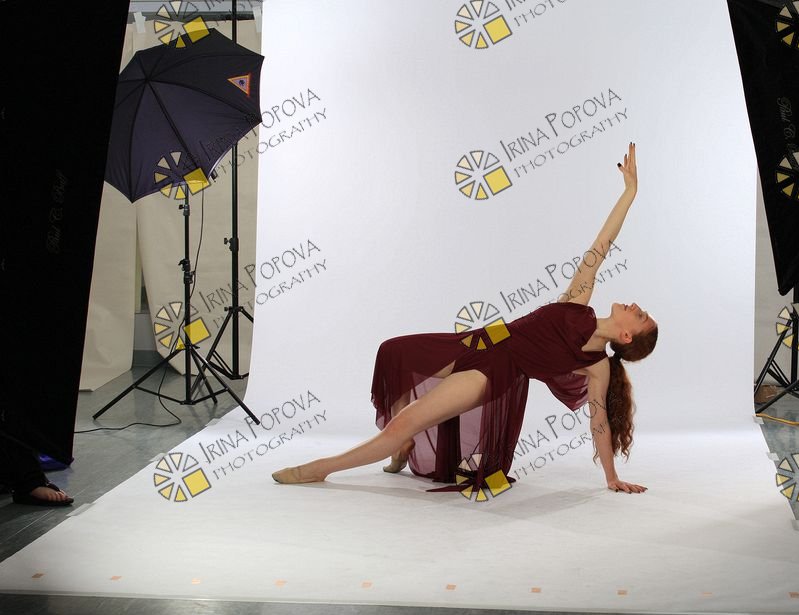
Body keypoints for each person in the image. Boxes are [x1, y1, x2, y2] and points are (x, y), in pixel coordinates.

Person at [273, 142, 656, 494]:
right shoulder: (577, 302)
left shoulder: (597, 367)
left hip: (492, 372)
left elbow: (599, 422)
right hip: (477, 339)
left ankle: (320, 469)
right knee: (393, 352)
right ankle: (402, 447)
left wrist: (611, 477)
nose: (635, 305)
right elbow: (602, 243)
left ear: (626, 336)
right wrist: (629, 192)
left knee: (403, 423)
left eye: (639, 315)